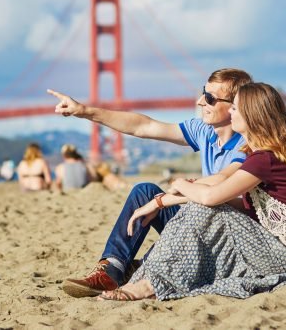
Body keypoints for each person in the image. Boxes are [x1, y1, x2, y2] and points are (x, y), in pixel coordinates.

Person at [99, 82, 286, 301]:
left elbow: (210, 195)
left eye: (235, 108)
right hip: (276, 250)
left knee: (203, 206)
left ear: (252, 115)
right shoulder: (262, 156)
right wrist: (162, 202)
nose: (231, 112)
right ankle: (144, 273)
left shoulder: (263, 159)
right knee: (208, 207)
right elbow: (235, 202)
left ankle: (148, 283)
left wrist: (178, 183)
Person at [47, 68, 252, 297]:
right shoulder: (204, 131)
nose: (200, 101)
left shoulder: (246, 143)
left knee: (187, 207)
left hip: (228, 237)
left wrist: (164, 200)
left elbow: (219, 188)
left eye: (210, 98)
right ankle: (112, 269)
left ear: (236, 105)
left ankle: (142, 268)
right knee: (144, 192)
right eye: (204, 93)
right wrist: (84, 111)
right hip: (198, 220)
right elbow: (143, 126)